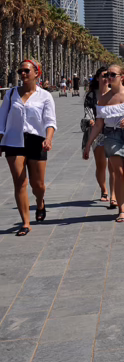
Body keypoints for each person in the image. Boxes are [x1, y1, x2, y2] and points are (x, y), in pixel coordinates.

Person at [82, 64, 124, 223]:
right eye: (106, 75)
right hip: (112, 136)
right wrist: (88, 145)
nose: (109, 78)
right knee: (118, 174)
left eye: (112, 75)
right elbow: (99, 124)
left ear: (122, 77)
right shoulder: (103, 99)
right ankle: (121, 209)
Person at [0, 60, 56, 236]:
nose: (23, 74)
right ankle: (25, 222)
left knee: (37, 184)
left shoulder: (45, 96)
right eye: (20, 71)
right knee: (20, 182)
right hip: (13, 141)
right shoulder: (11, 94)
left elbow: (50, 121)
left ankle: (40, 202)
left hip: (36, 141)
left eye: (26, 71)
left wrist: (48, 138)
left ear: (36, 73)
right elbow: (2, 121)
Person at [84, 67, 115, 206]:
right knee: (101, 165)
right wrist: (90, 120)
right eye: (103, 75)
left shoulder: (115, 94)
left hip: (113, 132)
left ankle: (114, 194)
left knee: (113, 166)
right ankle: (104, 190)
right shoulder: (91, 96)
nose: (106, 78)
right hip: (97, 133)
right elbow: (88, 112)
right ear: (97, 78)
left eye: (109, 75)